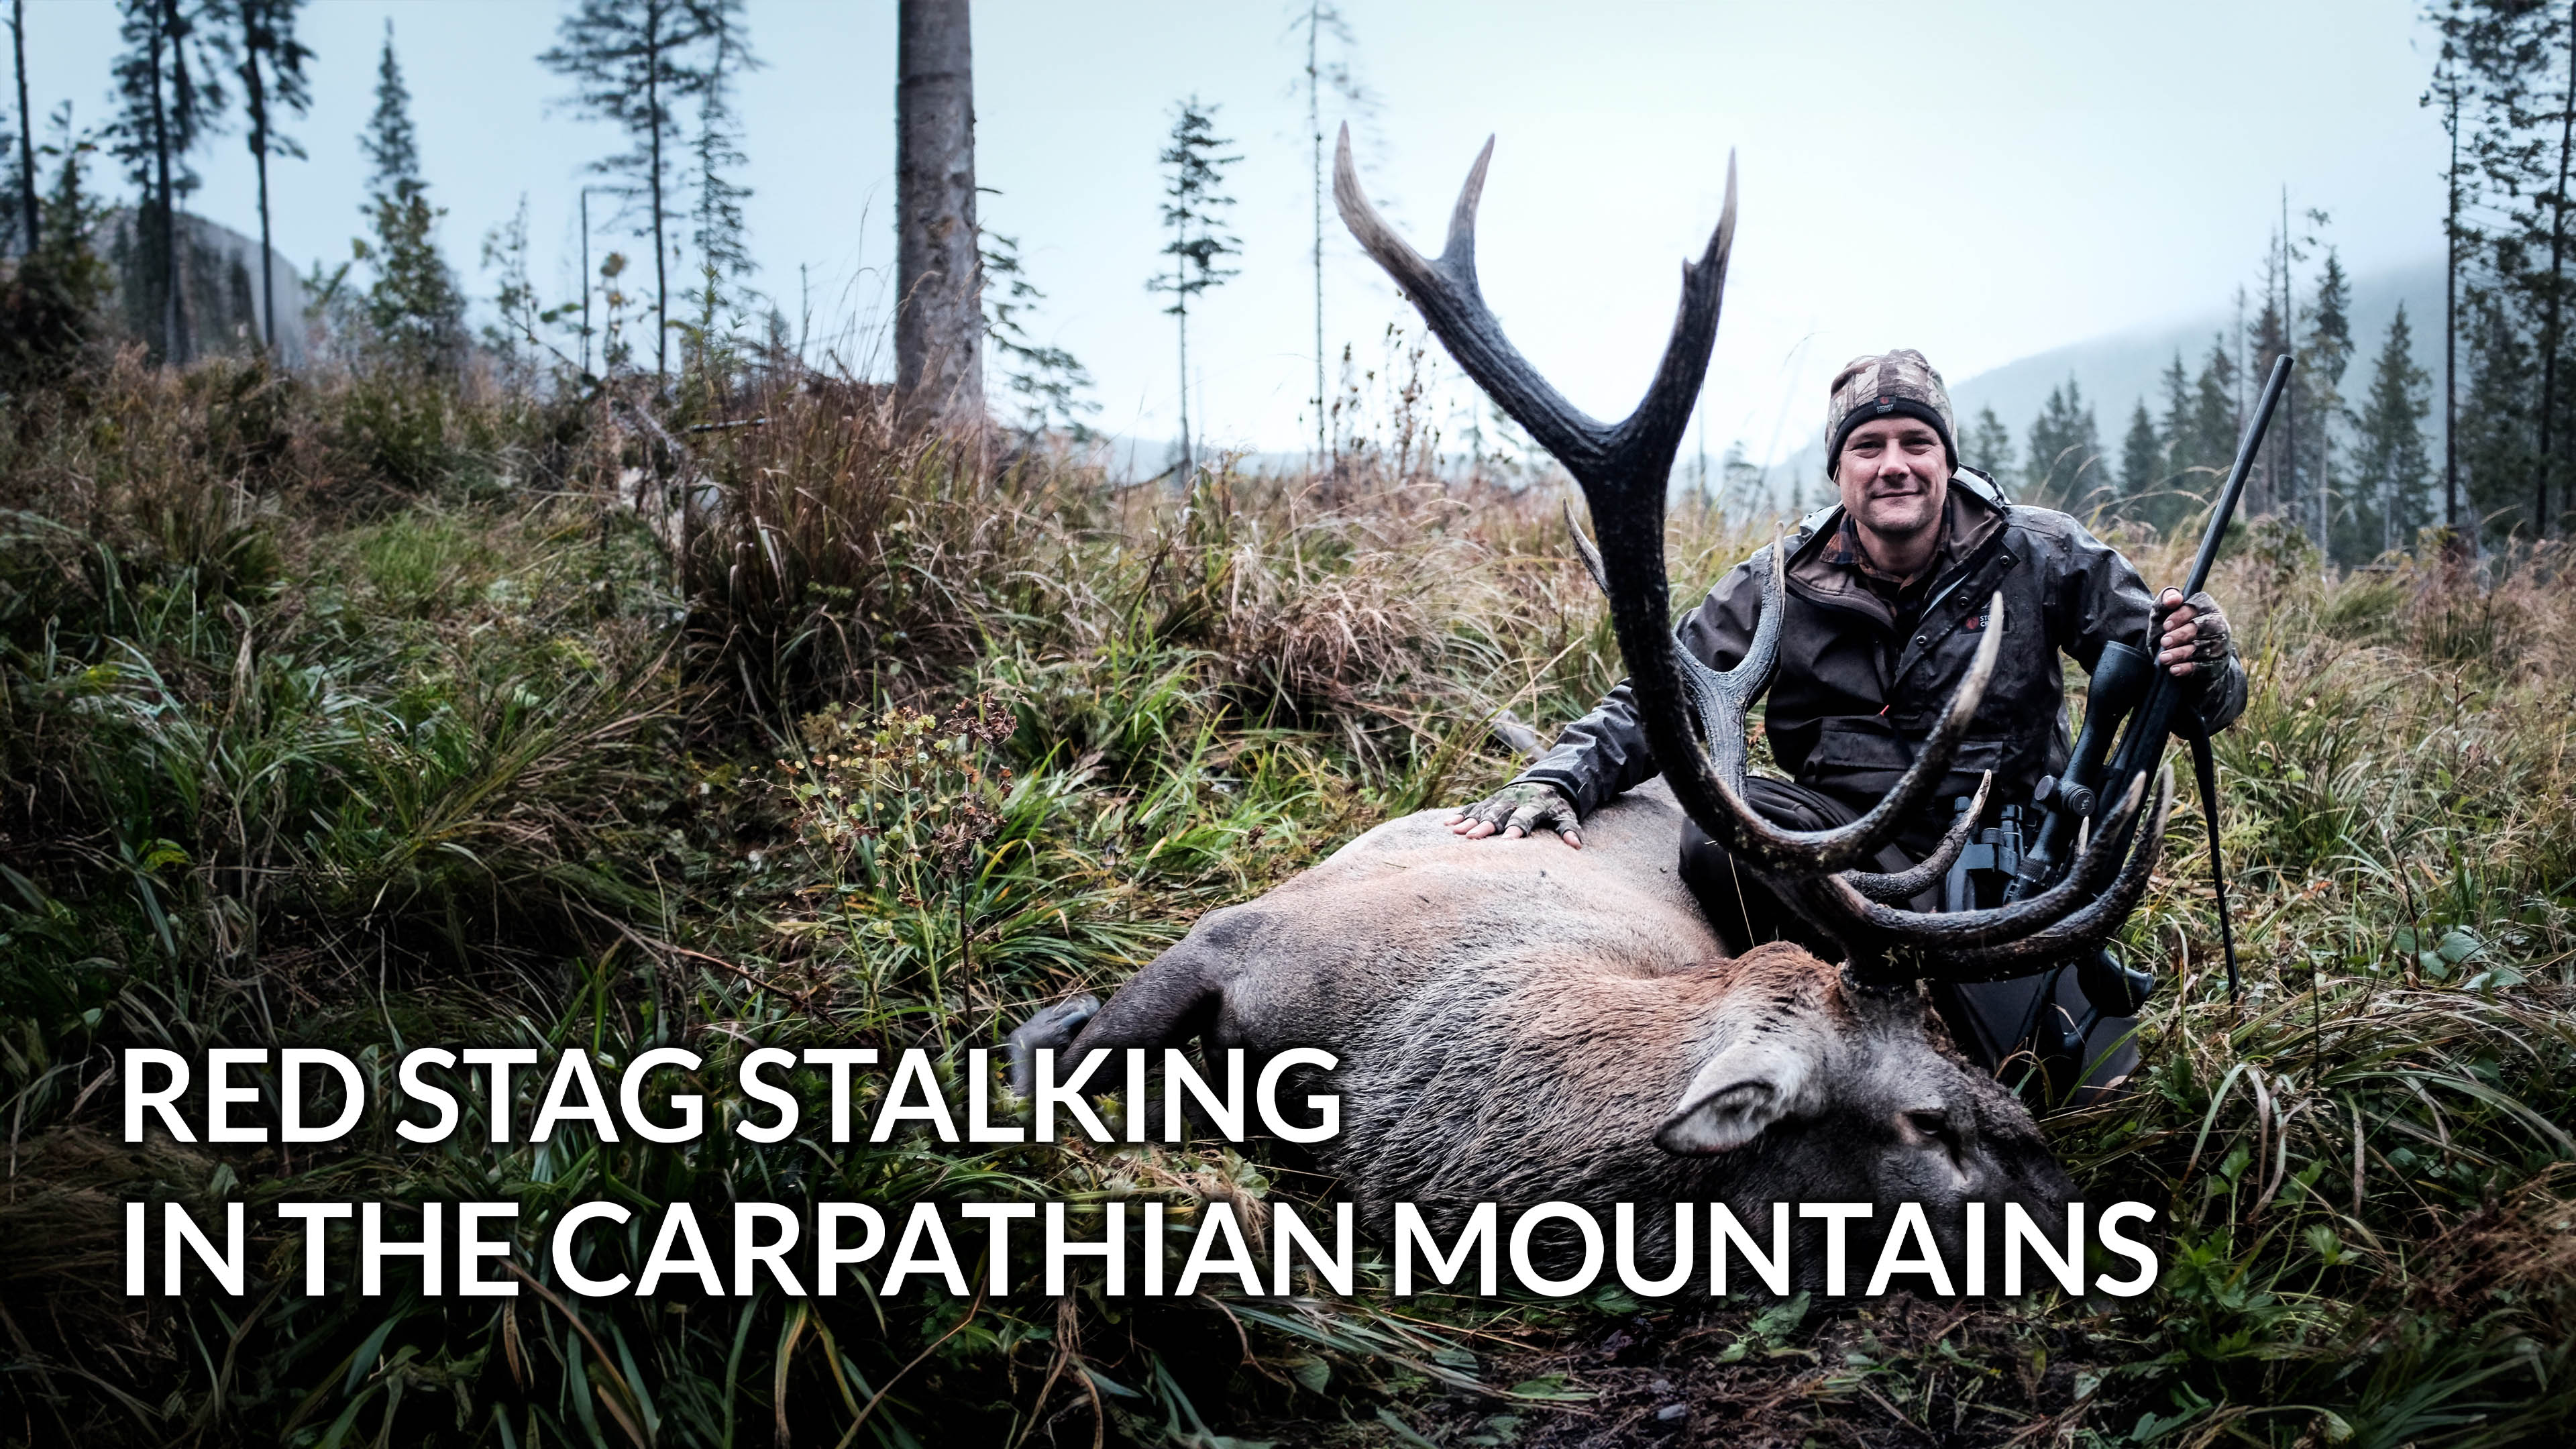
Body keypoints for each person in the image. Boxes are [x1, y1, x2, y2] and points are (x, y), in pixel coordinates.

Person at [1444, 349, 2249, 1089]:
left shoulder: (2044, 553)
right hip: (1847, 856)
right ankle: (1867, 990)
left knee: (2076, 1086)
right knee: (1727, 827)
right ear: (1840, 470)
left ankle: (1940, 992)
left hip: (2012, 857)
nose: (1894, 465)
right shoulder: (1779, 581)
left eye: (1915, 442)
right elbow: (1660, 697)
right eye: (1868, 447)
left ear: (1946, 459)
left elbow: (2188, 698)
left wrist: (2207, 665)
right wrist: (1560, 776)